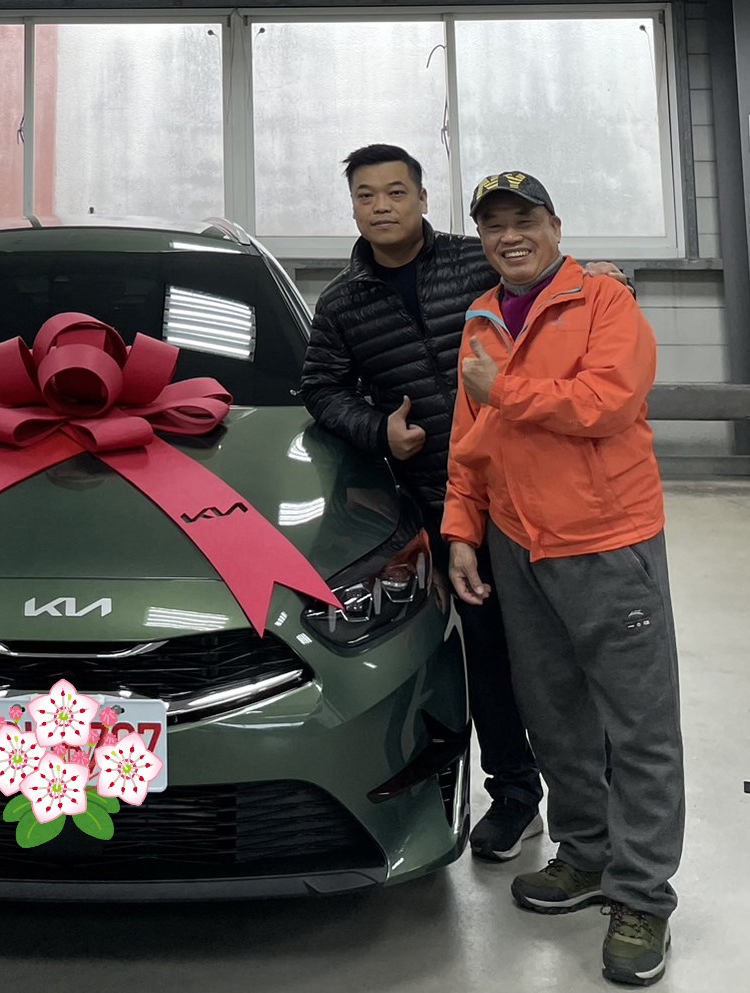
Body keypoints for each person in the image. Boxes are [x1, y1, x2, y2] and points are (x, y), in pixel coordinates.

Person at [443, 171, 683, 987]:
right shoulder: (481, 317)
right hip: (519, 544)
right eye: (494, 224)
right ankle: (586, 854)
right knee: (554, 714)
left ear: (554, 225)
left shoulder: (606, 302)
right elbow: (469, 439)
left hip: (608, 541)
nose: (509, 235)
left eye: (524, 219)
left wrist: (503, 389)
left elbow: (606, 402)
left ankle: (641, 893)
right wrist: (462, 529)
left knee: (639, 726)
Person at [299, 144, 560, 862]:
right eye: (366, 196)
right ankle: (515, 794)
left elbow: (547, 286)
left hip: (535, 489)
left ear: (421, 197)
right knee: (485, 655)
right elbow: (320, 389)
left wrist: (601, 275)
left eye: (395, 192)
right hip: (445, 501)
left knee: (561, 652)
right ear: (353, 206)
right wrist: (377, 430)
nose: (381, 206)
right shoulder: (343, 302)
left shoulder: (476, 262)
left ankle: (594, 799)